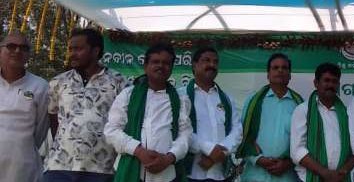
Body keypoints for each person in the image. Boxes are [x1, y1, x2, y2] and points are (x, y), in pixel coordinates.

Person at [44, 28, 127, 182]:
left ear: (95, 51)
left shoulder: (119, 82)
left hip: (101, 169)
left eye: (78, 49)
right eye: (70, 49)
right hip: (59, 167)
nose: (72, 54)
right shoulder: (58, 82)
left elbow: (123, 124)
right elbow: (54, 120)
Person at [104, 43, 193, 182]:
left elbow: (185, 135)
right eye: (155, 62)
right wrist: (138, 151)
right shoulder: (128, 94)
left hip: (167, 173)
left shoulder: (181, 99)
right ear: (145, 66)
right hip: (130, 170)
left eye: (166, 63)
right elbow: (112, 130)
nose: (160, 66)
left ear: (171, 68)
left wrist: (169, 158)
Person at [237, 53, 302, 182]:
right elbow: (241, 135)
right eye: (275, 67)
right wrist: (258, 159)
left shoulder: (300, 105)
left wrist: (287, 163)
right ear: (268, 74)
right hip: (255, 175)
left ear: (290, 75)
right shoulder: (253, 102)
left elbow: (304, 141)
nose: (280, 71)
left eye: (284, 68)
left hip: (287, 176)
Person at [182, 47, 243, 182]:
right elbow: (183, 130)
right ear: (194, 64)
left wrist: (221, 152)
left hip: (221, 174)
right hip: (191, 173)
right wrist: (210, 150)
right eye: (206, 60)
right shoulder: (182, 95)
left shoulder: (226, 99)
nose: (212, 65)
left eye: (215, 62)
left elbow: (237, 130)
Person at [290, 63, 354, 182]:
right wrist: (325, 173)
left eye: (334, 81)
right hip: (308, 178)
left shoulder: (346, 113)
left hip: (340, 179)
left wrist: (343, 171)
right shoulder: (304, 110)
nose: (330, 85)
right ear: (316, 83)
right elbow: (297, 151)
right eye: (326, 80)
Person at [0, 31, 50, 182]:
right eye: (11, 46)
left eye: (23, 48)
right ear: (1, 50)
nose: (17, 51)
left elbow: (41, 130)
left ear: (28, 55)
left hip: (23, 167)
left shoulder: (40, 86)